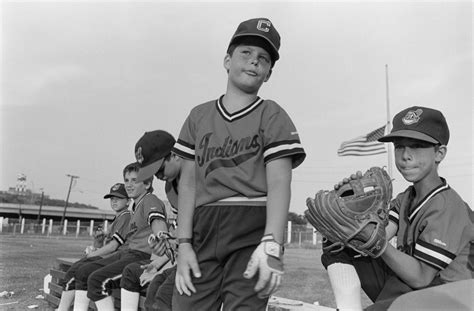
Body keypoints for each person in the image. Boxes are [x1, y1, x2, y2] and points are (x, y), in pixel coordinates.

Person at [172, 17, 306, 310]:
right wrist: (183, 244)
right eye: (246, 52)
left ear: (269, 73)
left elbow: (279, 181)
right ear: (227, 60)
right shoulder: (199, 116)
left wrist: (272, 242)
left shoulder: (272, 115)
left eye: (263, 58)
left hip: (252, 224)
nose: (254, 61)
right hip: (203, 227)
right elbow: (189, 183)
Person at [323, 106, 474, 311]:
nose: (405, 155)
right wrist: (352, 208)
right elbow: (380, 235)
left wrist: (376, 242)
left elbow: (421, 276)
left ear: (439, 153)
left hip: (453, 299)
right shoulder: (405, 198)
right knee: (339, 241)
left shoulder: (448, 206)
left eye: (417, 146)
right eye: (399, 146)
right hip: (418, 289)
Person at [72, 162, 170, 311]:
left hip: (140, 256)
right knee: (84, 271)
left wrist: (162, 237)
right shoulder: (135, 207)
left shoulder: (150, 200)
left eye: (135, 180)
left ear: (147, 183)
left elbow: (157, 221)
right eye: (126, 180)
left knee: (97, 280)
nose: (129, 185)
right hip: (127, 253)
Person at [120, 130, 180, 311]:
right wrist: (159, 262)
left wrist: (162, 234)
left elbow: (158, 223)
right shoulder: (171, 186)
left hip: (210, 256)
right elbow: (180, 229)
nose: (158, 176)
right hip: (186, 254)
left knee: (163, 295)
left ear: (175, 155)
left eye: (159, 169)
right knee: (157, 287)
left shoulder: (198, 177)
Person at [56, 183, 131, 311]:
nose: (114, 201)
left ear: (128, 201)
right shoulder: (118, 218)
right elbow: (107, 246)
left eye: (118, 198)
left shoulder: (126, 216)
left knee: (79, 271)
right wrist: (96, 244)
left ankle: (64, 309)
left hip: (120, 258)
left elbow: (113, 247)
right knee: (77, 270)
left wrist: (92, 254)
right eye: (112, 198)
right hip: (112, 257)